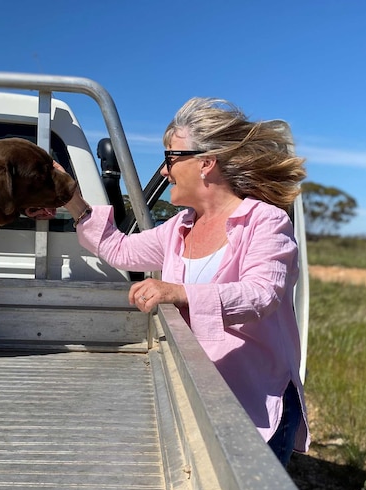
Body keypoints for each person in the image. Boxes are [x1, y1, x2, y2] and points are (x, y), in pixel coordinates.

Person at [61, 97, 309, 466]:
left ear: (206, 163)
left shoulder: (265, 221)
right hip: (202, 392)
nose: (164, 171)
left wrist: (178, 292)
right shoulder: (180, 227)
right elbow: (122, 250)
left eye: (171, 158)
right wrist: (73, 202)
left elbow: (262, 295)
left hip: (255, 402)